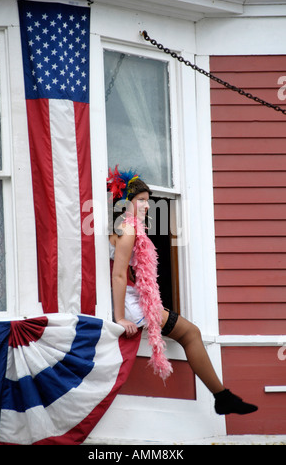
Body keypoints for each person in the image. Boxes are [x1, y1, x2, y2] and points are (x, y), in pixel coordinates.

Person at [107, 166, 258, 416]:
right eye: (141, 201)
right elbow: (119, 274)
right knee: (191, 333)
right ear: (125, 204)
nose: (147, 205)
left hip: (136, 300)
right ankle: (222, 397)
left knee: (191, 332)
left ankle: (223, 397)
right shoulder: (129, 229)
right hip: (134, 305)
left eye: (148, 201)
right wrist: (120, 317)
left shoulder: (123, 228)